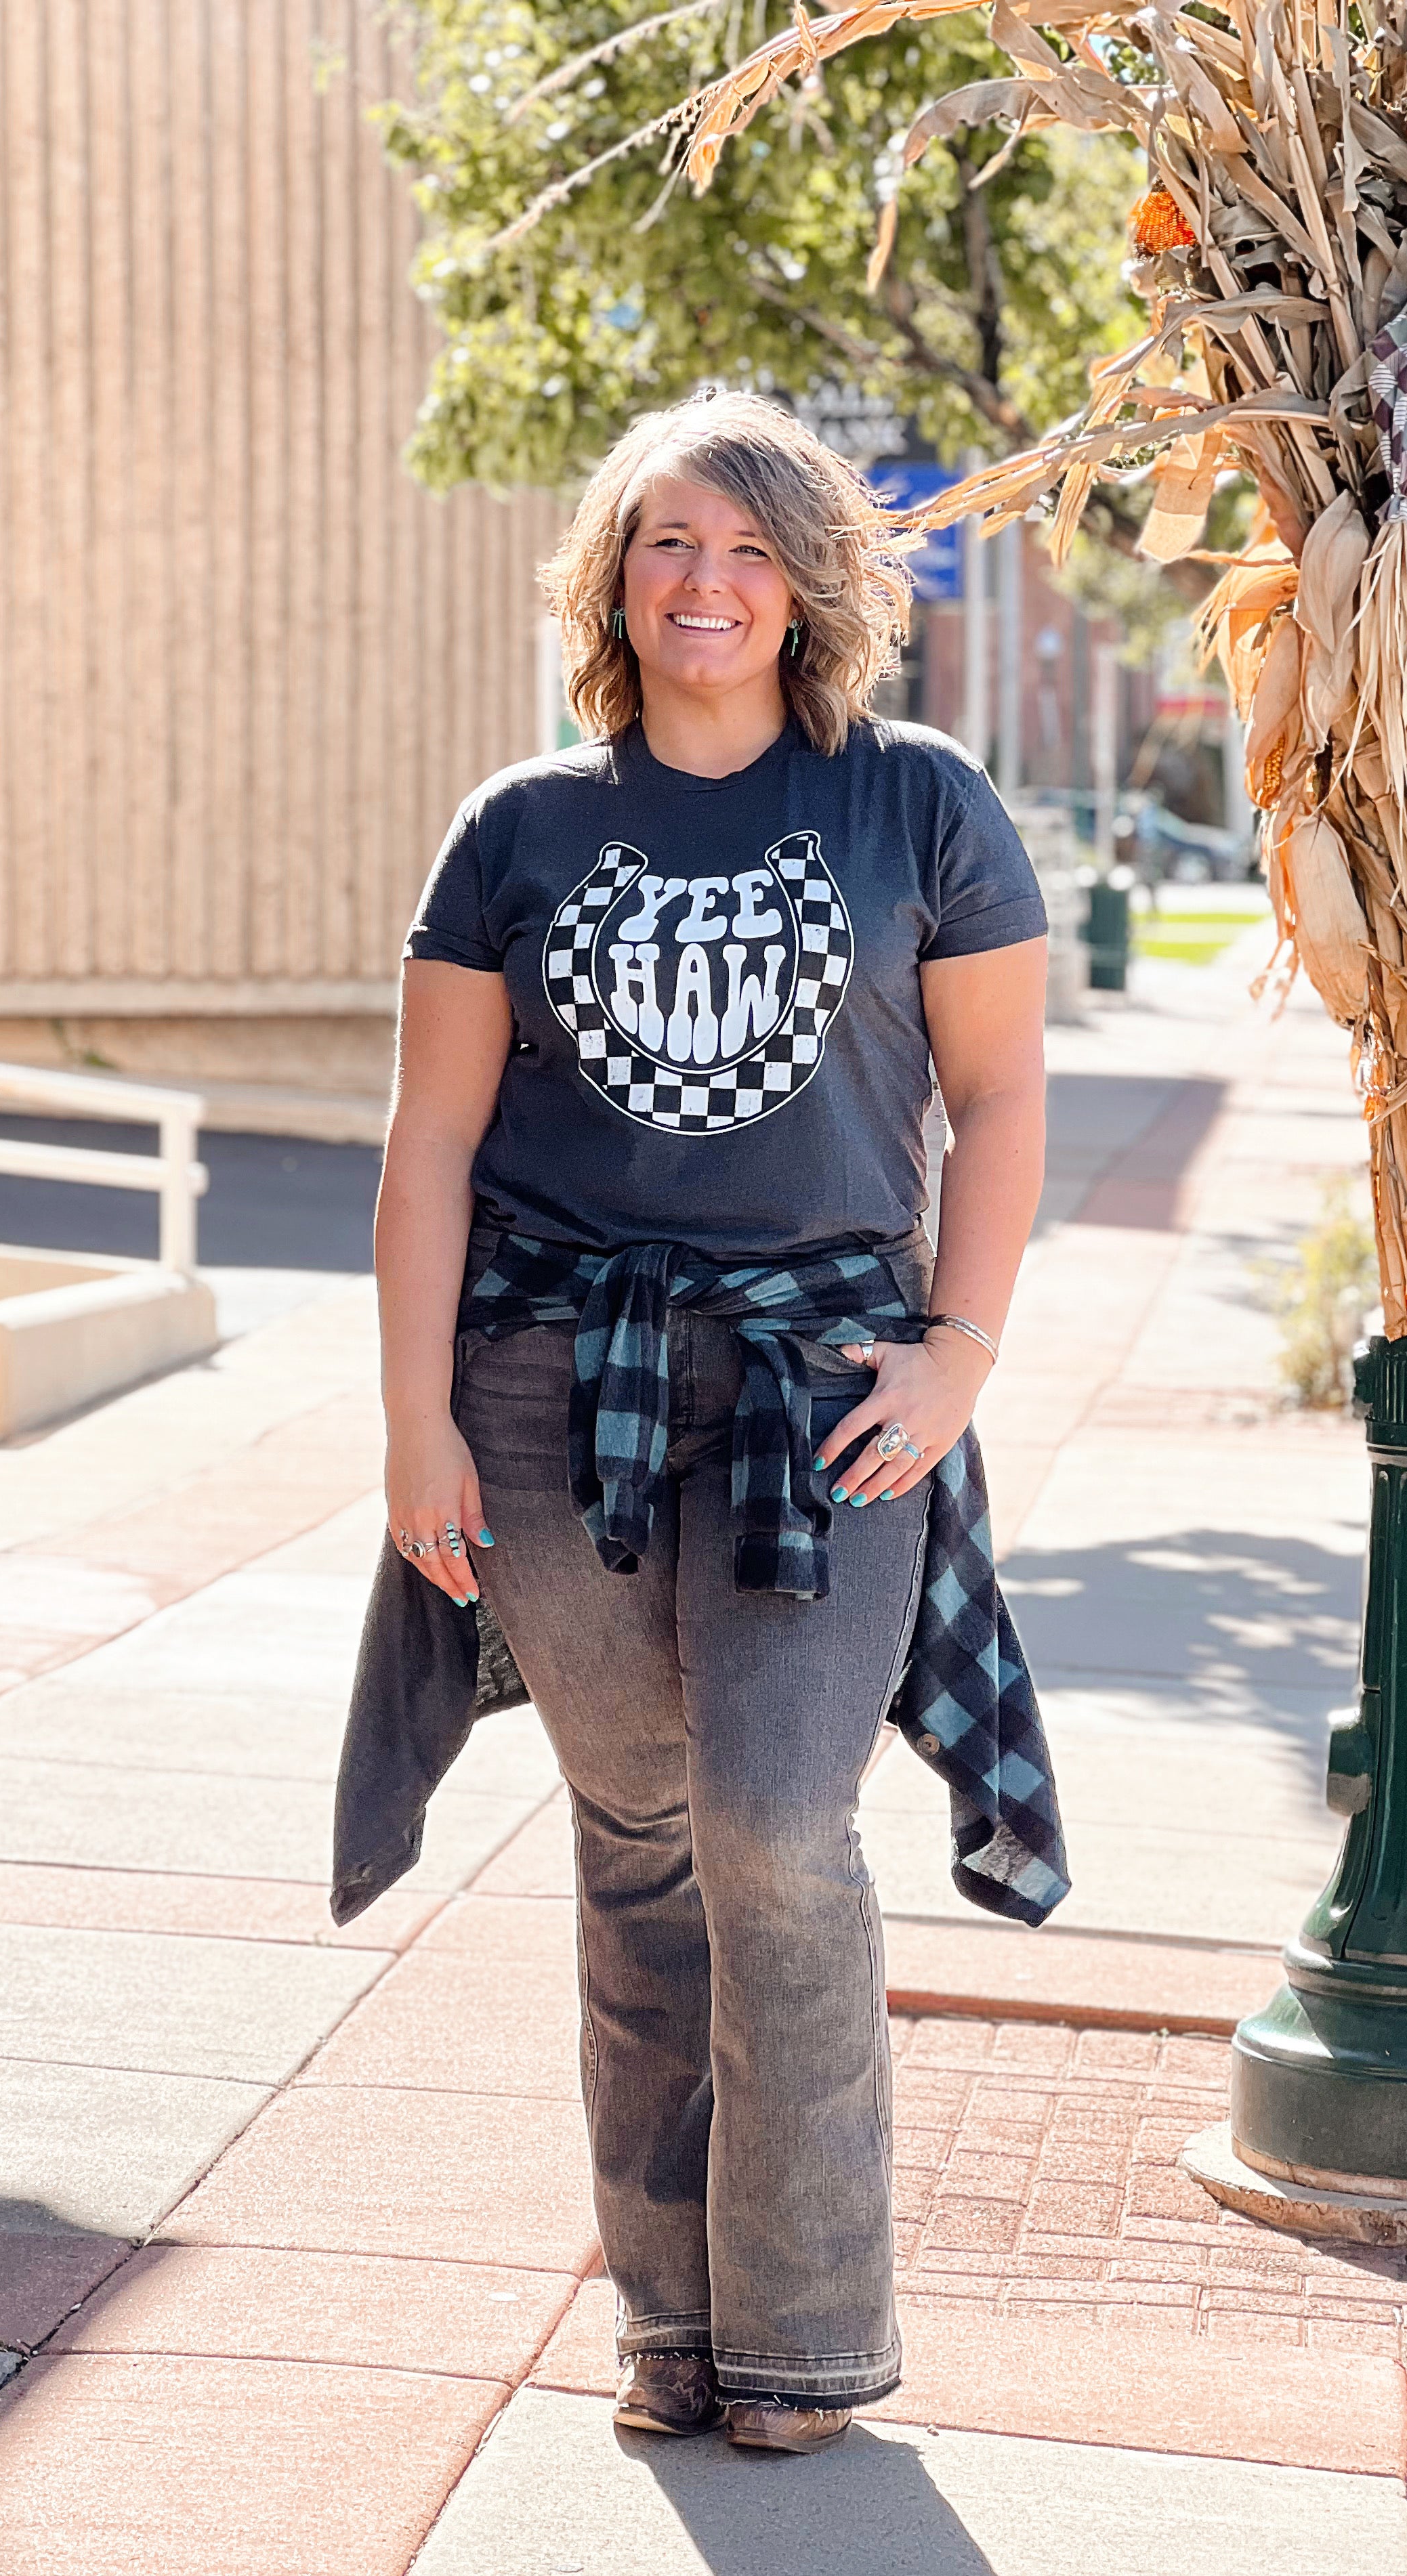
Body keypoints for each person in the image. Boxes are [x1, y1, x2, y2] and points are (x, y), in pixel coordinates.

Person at [360, 389, 1057, 2455]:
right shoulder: (520, 831)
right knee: (639, 1847)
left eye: (750, 545)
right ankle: (674, 2325)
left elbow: (1005, 1102)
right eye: (669, 540)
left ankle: (813, 2333)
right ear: (613, 574)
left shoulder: (918, 803)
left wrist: (962, 1350)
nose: (708, 580)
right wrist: (417, 1423)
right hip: (552, 1388)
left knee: (776, 1828)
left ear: (813, 580)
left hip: (827, 1394)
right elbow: (431, 1146)